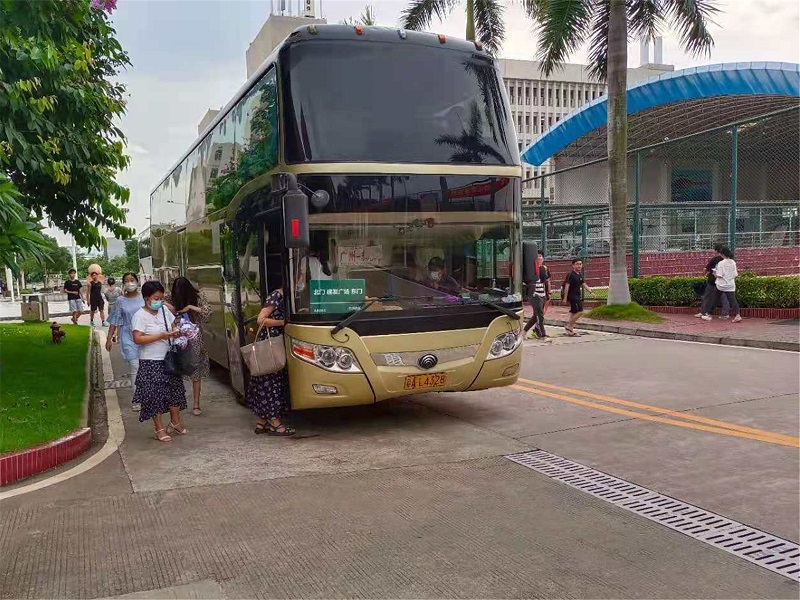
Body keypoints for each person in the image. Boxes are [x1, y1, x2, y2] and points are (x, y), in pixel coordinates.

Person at [131, 280, 187, 442]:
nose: (159, 301)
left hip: (169, 357)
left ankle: (175, 422)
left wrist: (176, 331)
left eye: (161, 298)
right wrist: (161, 336)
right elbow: (138, 339)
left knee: (175, 391)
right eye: (156, 298)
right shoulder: (140, 316)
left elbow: (173, 324)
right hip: (151, 361)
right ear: (146, 298)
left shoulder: (164, 310)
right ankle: (159, 428)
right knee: (155, 395)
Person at [247, 284, 295, 436]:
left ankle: (261, 423)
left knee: (267, 381)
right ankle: (275, 423)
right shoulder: (276, 296)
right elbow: (261, 319)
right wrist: (283, 322)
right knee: (272, 382)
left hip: (275, 343)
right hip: (270, 345)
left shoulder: (289, 296)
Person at [166, 276, 212, 416]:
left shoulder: (198, 298)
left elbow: (208, 314)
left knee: (195, 371)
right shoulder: (170, 298)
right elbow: (165, 308)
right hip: (177, 337)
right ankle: (177, 403)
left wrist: (191, 307)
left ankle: (196, 404)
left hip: (194, 339)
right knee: (175, 370)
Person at [106, 273, 145, 411]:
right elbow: (114, 320)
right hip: (128, 336)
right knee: (135, 367)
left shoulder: (145, 297)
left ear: (137, 281)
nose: (130, 283)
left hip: (145, 336)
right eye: (127, 281)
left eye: (132, 280)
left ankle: (149, 395)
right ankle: (137, 399)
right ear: (123, 284)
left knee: (146, 367)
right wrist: (109, 338)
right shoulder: (120, 301)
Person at [700, 246, 742, 322]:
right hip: (730, 284)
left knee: (715, 299)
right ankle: (737, 315)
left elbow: (719, 275)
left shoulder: (721, 263)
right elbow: (735, 274)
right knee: (732, 300)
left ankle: (708, 314)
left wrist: (714, 273)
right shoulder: (733, 262)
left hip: (721, 285)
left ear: (722, 254)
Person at [695, 244, 731, 319]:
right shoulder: (728, 260)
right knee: (724, 298)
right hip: (724, 281)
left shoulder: (714, 260)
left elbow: (706, 269)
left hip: (713, 281)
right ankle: (725, 314)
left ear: (716, 251)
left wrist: (704, 274)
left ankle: (704, 312)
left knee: (707, 297)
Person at [524, 250, 550, 339]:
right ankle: (543, 334)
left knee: (536, 316)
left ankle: (524, 332)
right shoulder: (531, 269)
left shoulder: (544, 269)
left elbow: (547, 281)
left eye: (540, 256)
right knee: (540, 316)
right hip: (534, 294)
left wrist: (548, 293)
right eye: (537, 256)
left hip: (542, 294)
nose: (539, 258)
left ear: (543, 258)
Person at [562, 258, 592, 336]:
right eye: (577, 264)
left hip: (577, 295)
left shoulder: (580, 274)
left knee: (573, 312)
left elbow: (583, 284)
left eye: (580, 264)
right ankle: (568, 326)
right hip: (572, 296)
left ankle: (570, 330)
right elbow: (567, 286)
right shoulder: (571, 275)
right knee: (580, 311)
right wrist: (565, 297)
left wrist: (590, 291)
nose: (579, 266)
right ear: (573, 265)